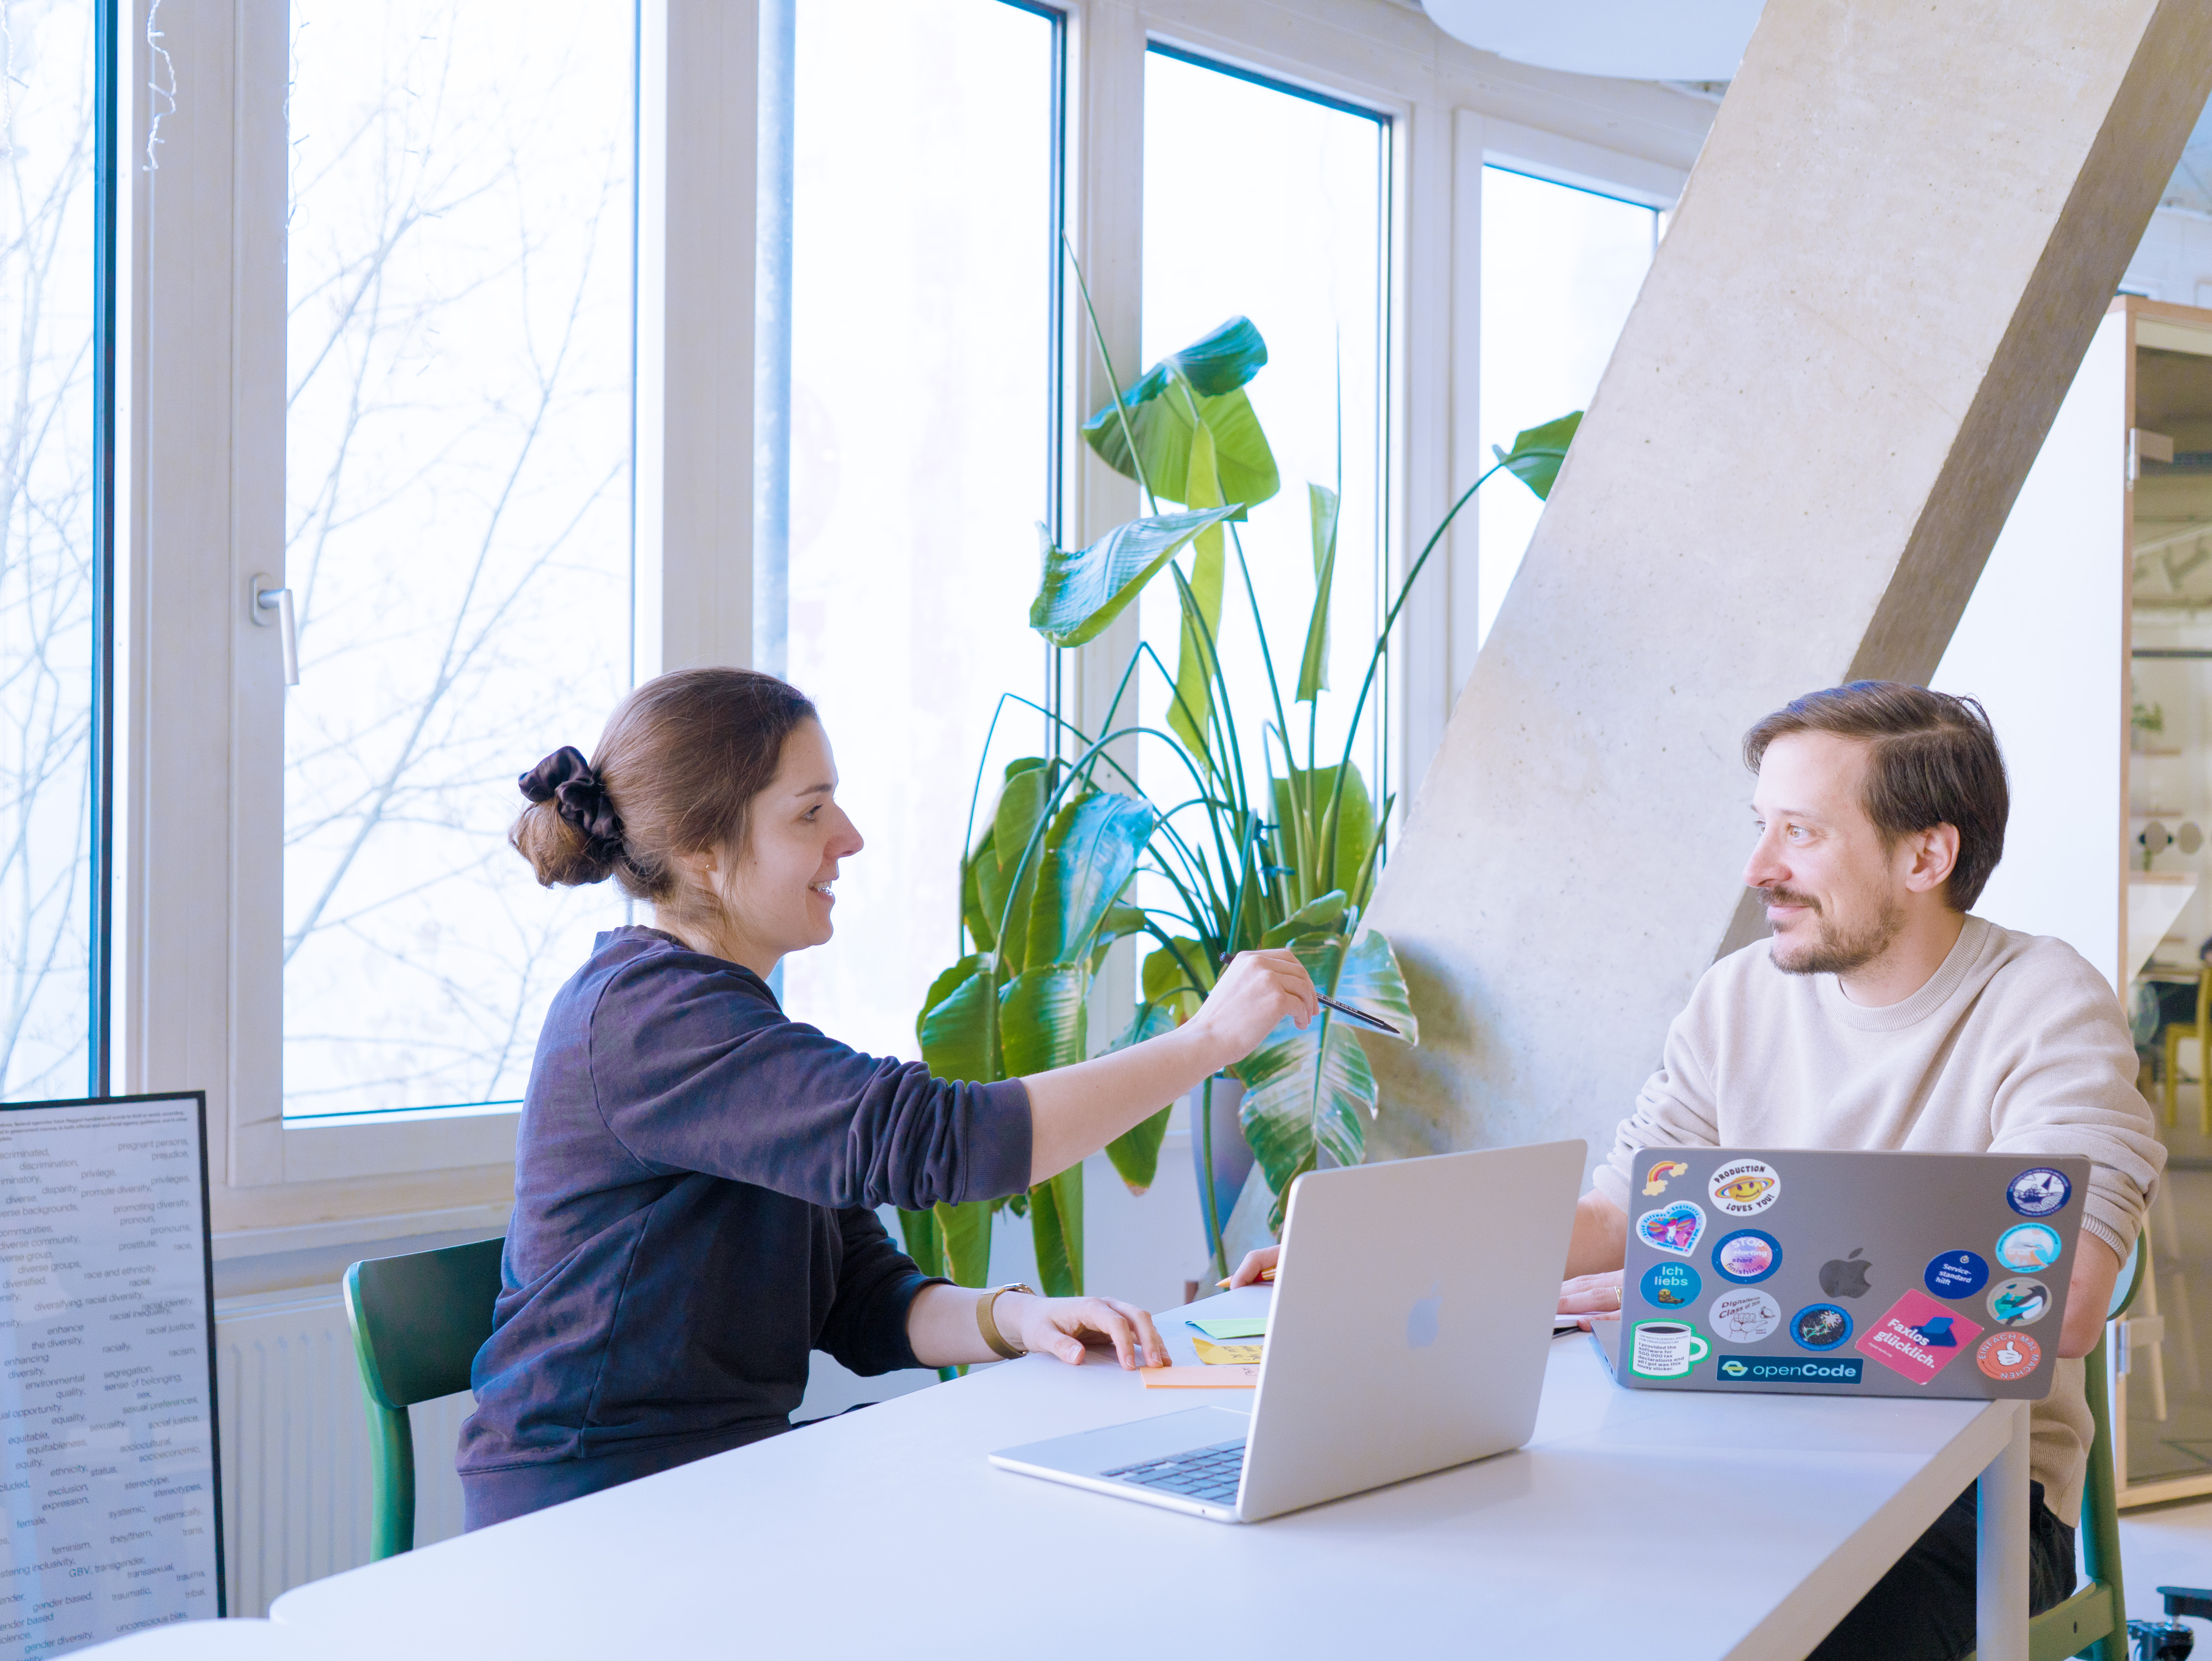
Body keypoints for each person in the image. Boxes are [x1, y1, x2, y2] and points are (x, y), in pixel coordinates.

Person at [1228, 682, 2162, 1661]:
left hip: (1972, 1500)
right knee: (1487, 1587)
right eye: (1762, 826)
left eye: (1801, 832)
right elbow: (1626, 1214)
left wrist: (1690, 1289)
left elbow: (2053, 1303)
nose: (1759, 867)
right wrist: (1382, 1257)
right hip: (1727, 1454)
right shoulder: (1739, 996)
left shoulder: (2046, 1003)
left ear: (1927, 854)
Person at [458, 668, 1319, 1529]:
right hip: (591, 1507)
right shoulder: (647, 1020)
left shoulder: (724, 1020)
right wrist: (1206, 1042)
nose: (851, 836)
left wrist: (1019, 1318)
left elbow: (858, 1296)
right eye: (810, 811)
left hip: (724, 1480)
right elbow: (951, 1140)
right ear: (703, 853)